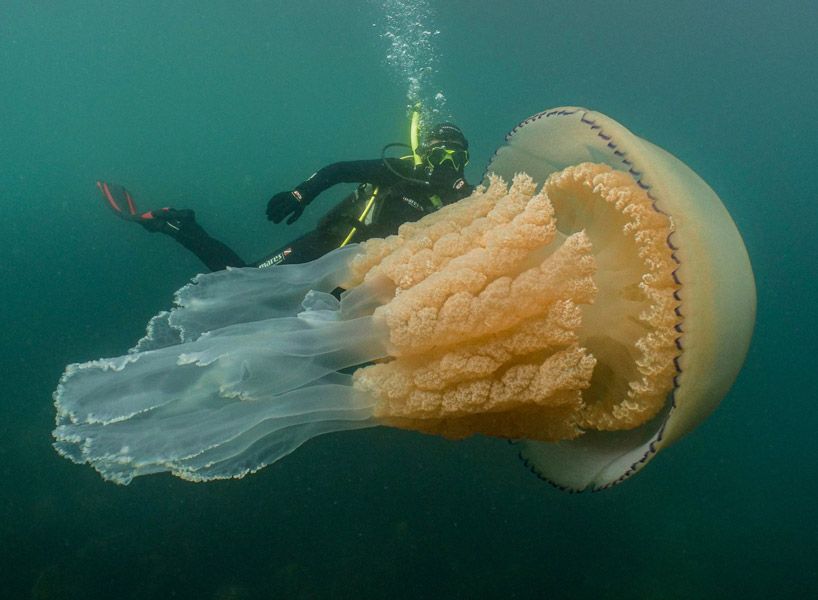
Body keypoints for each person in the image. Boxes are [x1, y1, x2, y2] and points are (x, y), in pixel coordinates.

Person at [98, 122, 474, 272]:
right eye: (438, 154)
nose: (445, 163)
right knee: (244, 282)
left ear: (465, 161)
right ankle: (181, 225)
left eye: (454, 157)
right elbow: (338, 170)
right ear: (424, 154)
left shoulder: (467, 199)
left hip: (366, 276)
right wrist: (300, 195)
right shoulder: (403, 170)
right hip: (329, 244)